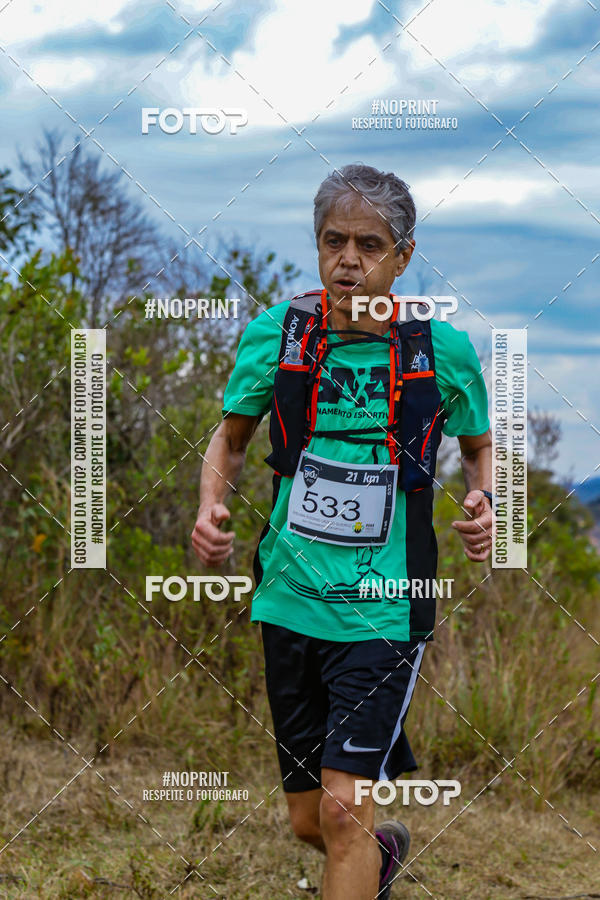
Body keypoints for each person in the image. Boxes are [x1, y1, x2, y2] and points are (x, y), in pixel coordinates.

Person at [191, 163, 492, 899]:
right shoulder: (278, 336)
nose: (349, 260)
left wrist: (488, 503)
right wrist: (209, 510)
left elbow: (482, 447)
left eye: (369, 244)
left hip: (386, 607)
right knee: (308, 821)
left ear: (403, 256)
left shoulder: (440, 350)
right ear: (318, 245)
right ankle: (381, 858)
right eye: (334, 241)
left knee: (342, 809)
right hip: (289, 599)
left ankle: (362, 846)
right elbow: (229, 439)